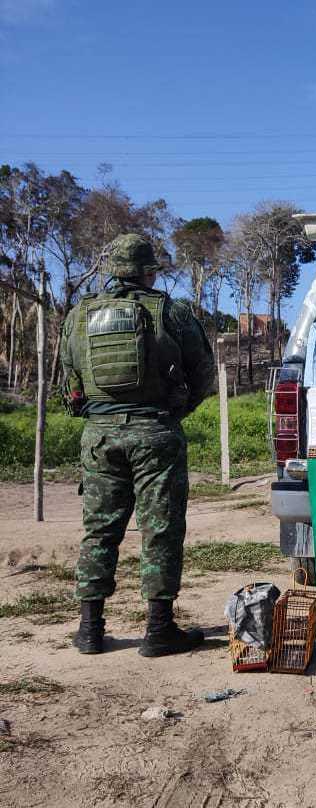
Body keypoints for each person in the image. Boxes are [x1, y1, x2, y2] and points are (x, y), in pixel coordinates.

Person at [61, 233, 215, 656]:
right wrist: (173, 412)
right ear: (149, 272)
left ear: (113, 270)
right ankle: (159, 630)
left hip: (99, 436)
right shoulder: (170, 311)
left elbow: (69, 383)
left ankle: (90, 630)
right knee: (160, 529)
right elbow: (204, 373)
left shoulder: (78, 315)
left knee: (99, 530)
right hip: (155, 435)